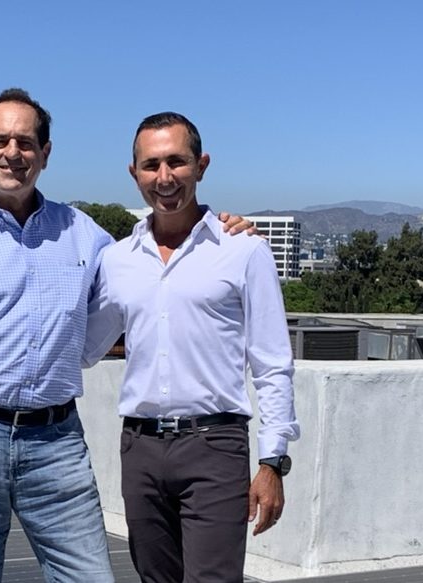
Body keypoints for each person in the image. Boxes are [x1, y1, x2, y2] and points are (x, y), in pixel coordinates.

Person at [0, 89, 253, 582]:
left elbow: (149, 264)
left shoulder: (86, 235)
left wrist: (219, 228)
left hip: (55, 441)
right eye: (1, 140)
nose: (13, 152)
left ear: (46, 153)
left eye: (27, 142)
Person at [84, 111, 300, 583]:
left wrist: (272, 461)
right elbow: (83, 348)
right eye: (151, 165)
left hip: (214, 446)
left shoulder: (243, 250)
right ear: (134, 173)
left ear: (201, 165)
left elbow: (271, 363)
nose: (164, 178)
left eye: (177, 163)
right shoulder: (117, 260)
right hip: (138, 449)